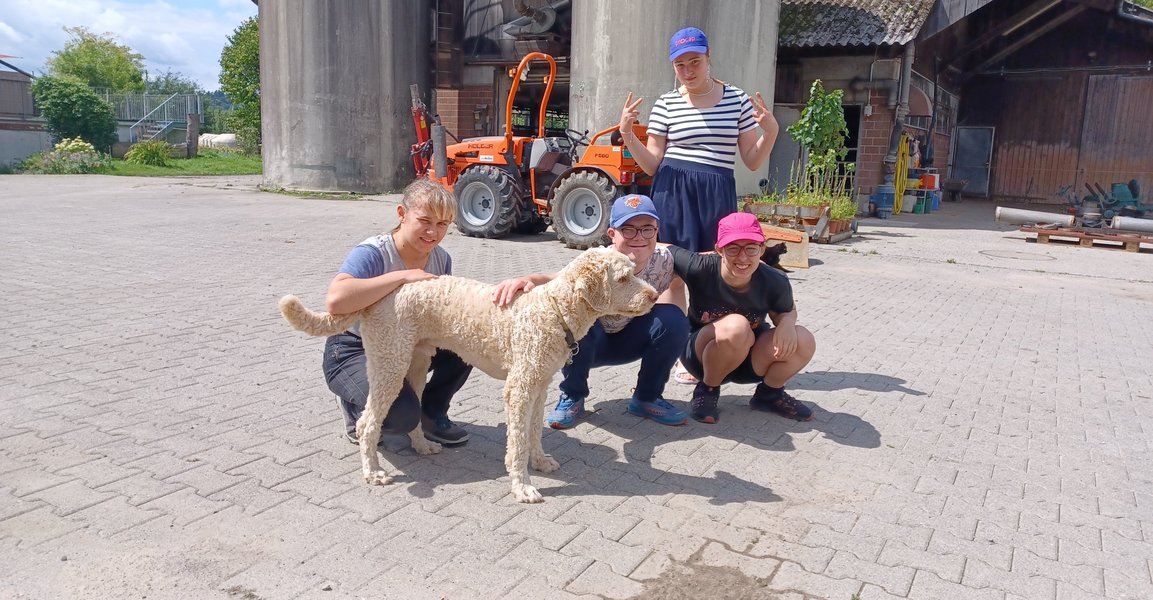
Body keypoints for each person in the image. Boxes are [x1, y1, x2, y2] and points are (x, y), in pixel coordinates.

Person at [618, 26, 780, 383]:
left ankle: (711, 349)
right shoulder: (666, 103)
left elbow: (752, 160)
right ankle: (677, 352)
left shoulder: (735, 99)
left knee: (712, 272)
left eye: (695, 62)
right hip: (672, 190)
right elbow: (652, 163)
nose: (689, 71)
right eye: (680, 65)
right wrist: (629, 134)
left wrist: (771, 132)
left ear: (709, 59)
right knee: (673, 275)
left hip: (715, 192)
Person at [492, 195, 690, 428]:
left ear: (657, 231)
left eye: (647, 229)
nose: (639, 237)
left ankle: (647, 397)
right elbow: (556, 279)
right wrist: (526, 279)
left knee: (674, 320)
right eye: (628, 229)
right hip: (589, 344)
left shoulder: (665, 260)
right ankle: (573, 395)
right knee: (572, 317)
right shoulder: (597, 263)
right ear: (611, 234)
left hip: (631, 339)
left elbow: (709, 265)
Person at [322, 179, 473, 446]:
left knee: (470, 343)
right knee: (398, 418)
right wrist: (403, 277)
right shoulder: (373, 253)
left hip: (407, 343)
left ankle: (431, 414)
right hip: (354, 348)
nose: (432, 232)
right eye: (424, 220)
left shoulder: (441, 258)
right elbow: (336, 301)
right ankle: (354, 404)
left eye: (442, 225)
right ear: (402, 214)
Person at [666, 211, 817, 424]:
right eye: (733, 248)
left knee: (803, 339)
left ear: (762, 249)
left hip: (750, 359)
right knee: (736, 325)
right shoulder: (700, 267)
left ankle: (769, 394)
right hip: (701, 357)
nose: (743, 257)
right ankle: (707, 390)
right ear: (719, 249)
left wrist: (787, 323)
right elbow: (659, 247)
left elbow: (787, 310)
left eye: (751, 248)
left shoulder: (775, 280)